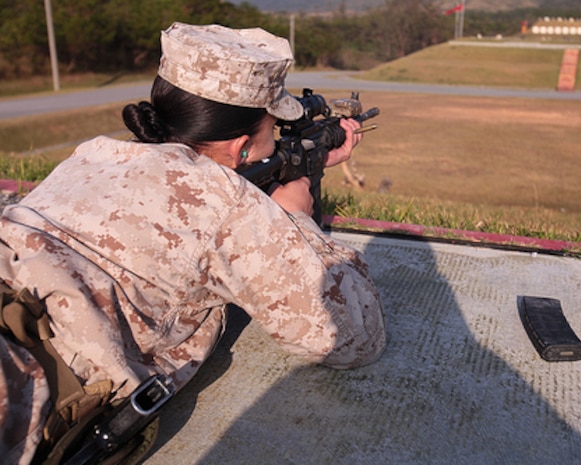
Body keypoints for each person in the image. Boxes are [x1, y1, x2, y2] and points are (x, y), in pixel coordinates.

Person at [0, 22, 386, 465]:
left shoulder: (92, 154)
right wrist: (294, 217)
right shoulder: (224, 203)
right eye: (275, 127)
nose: (277, 138)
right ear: (241, 148)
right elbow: (355, 336)